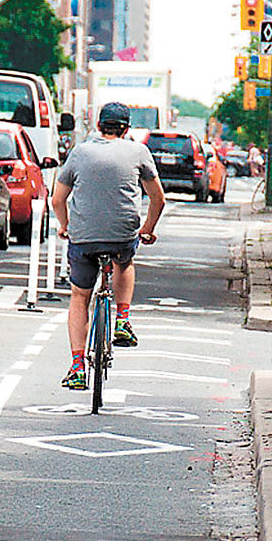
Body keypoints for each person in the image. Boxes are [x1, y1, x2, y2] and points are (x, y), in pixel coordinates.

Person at [52, 102, 166, 390]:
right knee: (125, 262)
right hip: (122, 235)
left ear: (98, 125)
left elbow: (57, 200)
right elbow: (158, 199)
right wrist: (147, 230)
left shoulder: (79, 152)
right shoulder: (139, 152)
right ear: (126, 128)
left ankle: (77, 365)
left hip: (83, 238)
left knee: (80, 296)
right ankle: (123, 320)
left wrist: (65, 226)